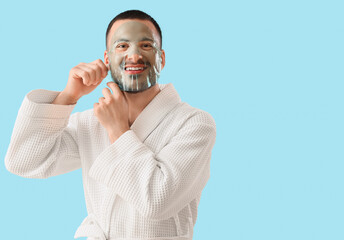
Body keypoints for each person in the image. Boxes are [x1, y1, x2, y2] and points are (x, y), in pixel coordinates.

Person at [5, 10, 216, 240]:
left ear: (162, 58)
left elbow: (157, 201)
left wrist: (118, 130)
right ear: (107, 59)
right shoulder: (92, 121)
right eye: (122, 46)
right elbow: (23, 162)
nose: (134, 56)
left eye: (146, 45)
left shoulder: (194, 124)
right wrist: (67, 97)